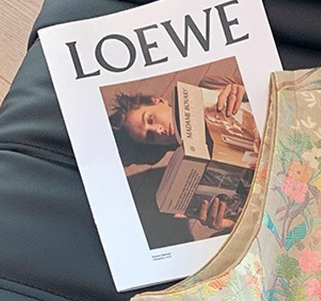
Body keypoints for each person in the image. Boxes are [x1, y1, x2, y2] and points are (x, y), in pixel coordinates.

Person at [108, 72, 252, 234]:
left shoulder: (212, 86)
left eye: (150, 119)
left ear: (158, 101)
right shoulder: (190, 175)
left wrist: (248, 92)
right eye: (151, 137)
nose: (158, 130)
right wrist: (232, 223)